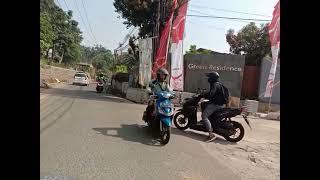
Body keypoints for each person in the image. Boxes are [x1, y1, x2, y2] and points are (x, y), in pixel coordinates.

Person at [200, 71, 228, 142]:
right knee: (204, 104)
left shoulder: (214, 85)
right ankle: (207, 124)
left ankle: (211, 135)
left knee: (204, 116)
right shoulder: (219, 84)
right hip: (220, 104)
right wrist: (205, 94)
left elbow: (211, 93)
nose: (208, 78)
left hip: (216, 105)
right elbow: (212, 93)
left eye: (209, 77)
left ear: (213, 78)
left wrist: (203, 95)